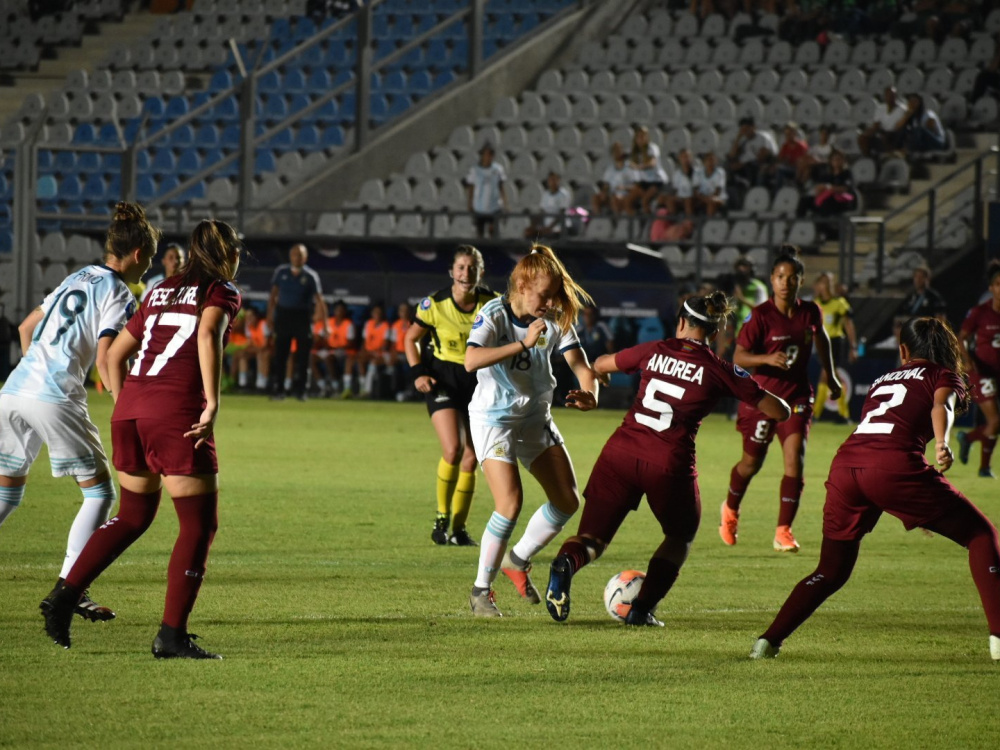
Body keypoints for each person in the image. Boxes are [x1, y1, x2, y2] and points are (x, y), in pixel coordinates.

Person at [40, 218, 244, 659]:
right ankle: (171, 636)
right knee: (198, 524)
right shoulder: (220, 291)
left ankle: (63, 595)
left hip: (131, 411)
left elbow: (112, 354)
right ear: (227, 254)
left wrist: (125, 400)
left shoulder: (158, 289)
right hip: (176, 414)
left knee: (133, 516)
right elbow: (207, 334)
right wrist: (211, 402)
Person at [750, 317, 1000, 662]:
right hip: (891, 468)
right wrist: (942, 442)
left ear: (903, 351)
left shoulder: (882, 380)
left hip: (846, 467)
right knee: (982, 536)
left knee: (829, 571)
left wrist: (916, 505)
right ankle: (999, 639)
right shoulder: (943, 376)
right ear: (946, 349)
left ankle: (767, 641)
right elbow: (940, 405)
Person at [544, 292, 791, 625]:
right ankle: (641, 611)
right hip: (669, 464)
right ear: (715, 333)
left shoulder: (654, 350)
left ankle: (565, 564)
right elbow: (779, 410)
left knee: (591, 539)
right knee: (679, 537)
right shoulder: (719, 369)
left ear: (680, 323)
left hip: (620, 453)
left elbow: (601, 363)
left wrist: (600, 377)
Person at [0, 202, 157, 622]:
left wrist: (37, 368)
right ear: (138, 254)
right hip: (54, 397)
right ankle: (71, 587)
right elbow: (108, 356)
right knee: (100, 494)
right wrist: (128, 407)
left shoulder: (76, 276)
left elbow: (25, 328)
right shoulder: (118, 291)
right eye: (151, 259)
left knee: (6, 494)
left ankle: (73, 586)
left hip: (14, 390)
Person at [465, 244, 600, 618]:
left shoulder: (555, 318)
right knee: (509, 504)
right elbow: (471, 360)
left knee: (567, 501)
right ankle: (480, 591)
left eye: (555, 292)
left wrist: (592, 394)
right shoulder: (493, 314)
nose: (552, 300)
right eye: (545, 293)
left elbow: (581, 365)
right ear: (523, 285)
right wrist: (521, 343)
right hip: (494, 420)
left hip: (535, 418)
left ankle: (518, 558)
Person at [720, 245, 842, 552]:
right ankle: (730, 509)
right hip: (761, 399)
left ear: (801, 280)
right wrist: (767, 359)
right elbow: (739, 356)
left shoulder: (810, 312)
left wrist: (832, 375)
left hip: (798, 398)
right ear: (772, 280)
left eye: (792, 277)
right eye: (779, 276)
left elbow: (822, 339)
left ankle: (783, 531)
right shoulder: (760, 316)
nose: (785, 282)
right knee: (751, 464)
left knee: (795, 463)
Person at [404, 246, 497, 546]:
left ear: (480, 272)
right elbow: (410, 339)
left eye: (472, 268)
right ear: (452, 272)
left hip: (478, 383)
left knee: (472, 458)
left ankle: (458, 530)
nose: (465, 273)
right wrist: (418, 372)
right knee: (454, 449)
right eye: (460, 267)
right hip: (442, 378)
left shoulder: (492, 303)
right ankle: (442, 516)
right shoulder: (435, 304)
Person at [266, 243, 327, 401]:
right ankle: (279, 390)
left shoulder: (311, 276)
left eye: (300, 255)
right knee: (281, 355)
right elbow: (273, 296)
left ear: (305, 257)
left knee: (303, 357)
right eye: (294, 254)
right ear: (290, 256)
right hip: (284, 316)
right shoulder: (281, 272)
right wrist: (270, 316)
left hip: (302, 317)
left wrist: (322, 321)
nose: (297, 257)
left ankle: (301, 391)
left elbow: (319, 299)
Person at [957, 261, 1000, 478]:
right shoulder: (979, 313)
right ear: (991, 288)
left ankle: (968, 438)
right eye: (998, 284)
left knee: (995, 424)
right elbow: (961, 338)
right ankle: (984, 468)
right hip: (982, 371)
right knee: (994, 421)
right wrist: (966, 359)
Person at [812, 272, 858, 425]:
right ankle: (843, 414)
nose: (824, 285)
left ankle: (816, 415)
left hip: (835, 342)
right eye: (822, 282)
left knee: (826, 374)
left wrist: (853, 346)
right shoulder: (816, 303)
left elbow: (848, 325)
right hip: (821, 342)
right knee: (830, 376)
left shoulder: (839, 303)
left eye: (827, 282)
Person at [797, 149, 857, 218]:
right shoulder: (828, 175)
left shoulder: (847, 174)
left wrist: (830, 188)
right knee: (805, 200)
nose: (836, 161)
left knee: (826, 203)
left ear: (843, 161)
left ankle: (826, 226)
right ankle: (800, 223)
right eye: (834, 159)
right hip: (825, 199)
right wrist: (820, 189)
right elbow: (819, 187)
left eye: (839, 159)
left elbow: (845, 188)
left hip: (841, 201)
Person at [465, 143, 508, 239]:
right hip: (479, 207)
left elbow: (501, 187)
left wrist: (505, 204)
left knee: (493, 231)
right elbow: (471, 188)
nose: (488, 157)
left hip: (494, 206)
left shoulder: (498, 169)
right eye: (486, 154)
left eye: (490, 154)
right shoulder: (474, 170)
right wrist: (470, 204)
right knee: (479, 233)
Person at [624, 126, 668, 216]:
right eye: (639, 137)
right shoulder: (635, 152)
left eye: (643, 136)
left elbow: (652, 163)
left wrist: (638, 167)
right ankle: (634, 223)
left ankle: (649, 222)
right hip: (644, 182)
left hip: (657, 181)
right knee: (628, 201)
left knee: (645, 201)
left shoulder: (652, 148)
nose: (641, 139)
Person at [726, 116, 778, 188]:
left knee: (752, 166)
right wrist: (738, 138)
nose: (745, 132)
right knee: (728, 165)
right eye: (743, 130)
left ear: (753, 127)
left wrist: (742, 164)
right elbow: (732, 155)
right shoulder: (745, 141)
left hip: (766, 163)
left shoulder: (763, 137)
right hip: (748, 165)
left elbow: (763, 156)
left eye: (747, 129)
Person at [858, 87, 907, 158]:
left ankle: (890, 156)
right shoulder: (881, 108)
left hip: (896, 134)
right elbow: (876, 125)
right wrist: (868, 133)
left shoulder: (902, 109)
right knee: (863, 138)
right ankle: (868, 158)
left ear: (896, 96)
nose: (890, 97)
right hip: (882, 131)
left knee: (887, 138)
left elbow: (901, 125)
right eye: (888, 95)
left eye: (892, 95)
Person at [591, 141, 633, 217]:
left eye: (619, 150)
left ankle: (617, 223)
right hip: (611, 195)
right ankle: (599, 221)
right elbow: (606, 185)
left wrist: (623, 188)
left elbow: (636, 186)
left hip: (626, 195)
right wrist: (604, 191)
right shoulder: (609, 170)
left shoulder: (630, 168)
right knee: (596, 198)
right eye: (615, 151)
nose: (617, 153)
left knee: (615, 199)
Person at [233, 305, 269, 392]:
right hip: (256, 350)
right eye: (247, 317)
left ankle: (262, 384)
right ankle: (242, 384)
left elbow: (265, 345)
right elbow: (250, 344)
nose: (248, 319)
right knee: (242, 355)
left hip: (267, 350)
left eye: (251, 317)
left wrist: (255, 349)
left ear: (256, 317)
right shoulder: (248, 327)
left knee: (263, 355)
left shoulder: (264, 324)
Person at [525, 171, 571, 239]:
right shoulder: (545, 194)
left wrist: (549, 228)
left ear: (558, 180)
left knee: (549, 236)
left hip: (561, 227)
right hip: (547, 227)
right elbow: (542, 212)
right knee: (529, 234)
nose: (552, 182)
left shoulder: (564, 194)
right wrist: (533, 226)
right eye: (551, 180)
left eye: (554, 179)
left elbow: (561, 214)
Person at [358, 303, 391, 398]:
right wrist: (364, 352)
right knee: (361, 360)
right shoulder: (368, 324)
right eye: (375, 312)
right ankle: (362, 387)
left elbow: (385, 345)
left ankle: (368, 391)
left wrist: (375, 352)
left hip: (382, 354)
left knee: (374, 362)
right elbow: (364, 342)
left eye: (379, 312)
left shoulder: (386, 326)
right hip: (370, 352)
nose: (377, 314)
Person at [389, 301, 414, 401]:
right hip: (399, 354)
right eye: (401, 310)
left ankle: (410, 392)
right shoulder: (395, 325)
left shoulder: (414, 324)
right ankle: (396, 392)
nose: (404, 312)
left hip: (411, 354)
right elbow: (393, 344)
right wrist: (393, 355)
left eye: (406, 310)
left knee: (411, 367)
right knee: (394, 365)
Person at [663, 148, 696, 218]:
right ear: (680, 159)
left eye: (688, 157)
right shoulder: (677, 174)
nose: (686, 159)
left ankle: (689, 222)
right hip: (681, 197)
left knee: (688, 201)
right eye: (683, 157)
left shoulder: (697, 172)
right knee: (669, 200)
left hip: (693, 197)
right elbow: (675, 189)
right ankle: (674, 222)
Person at [693, 151, 727, 216]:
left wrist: (707, 199)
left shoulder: (720, 172)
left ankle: (708, 223)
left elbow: (718, 191)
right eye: (709, 160)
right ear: (704, 162)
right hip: (702, 198)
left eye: (713, 160)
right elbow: (695, 189)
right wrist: (703, 198)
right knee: (688, 200)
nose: (711, 162)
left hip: (718, 198)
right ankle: (688, 221)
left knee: (711, 201)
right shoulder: (698, 172)